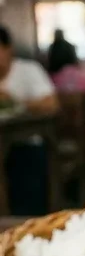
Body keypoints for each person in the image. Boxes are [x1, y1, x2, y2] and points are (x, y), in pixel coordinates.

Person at [0, 25, 59, 215]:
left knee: (23, 165)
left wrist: (15, 101)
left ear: (8, 49)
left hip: (31, 144)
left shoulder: (27, 70)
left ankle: (26, 221)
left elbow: (52, 104)